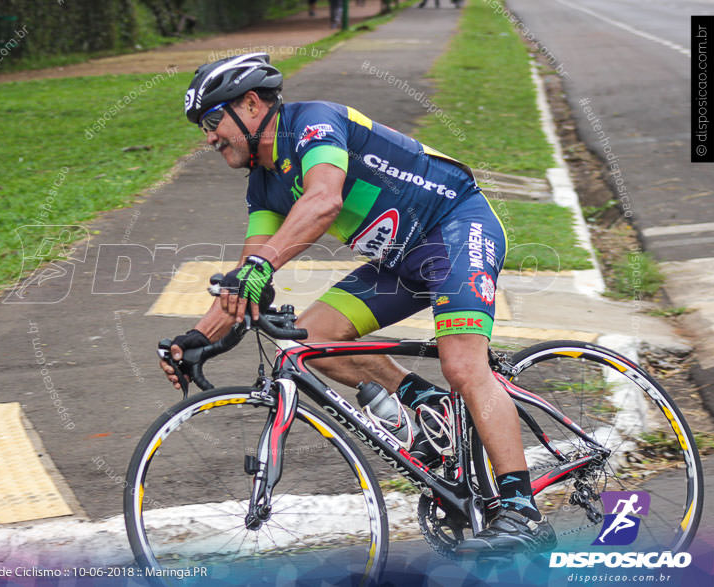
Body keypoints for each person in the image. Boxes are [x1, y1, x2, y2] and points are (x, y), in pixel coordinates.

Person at [161, 53, 556, 556]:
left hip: (454, 229)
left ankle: (521, 510)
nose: (210, 137)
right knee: (312, 337)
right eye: (204, 128)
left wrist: (260, 268)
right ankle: (424, 401)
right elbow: (248, 278)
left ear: (252, 104)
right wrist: (196, 339)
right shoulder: (264, 184)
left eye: (214, 121)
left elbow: (323, 200)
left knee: (462, 364)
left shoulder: (313, 124)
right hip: (401, 261)